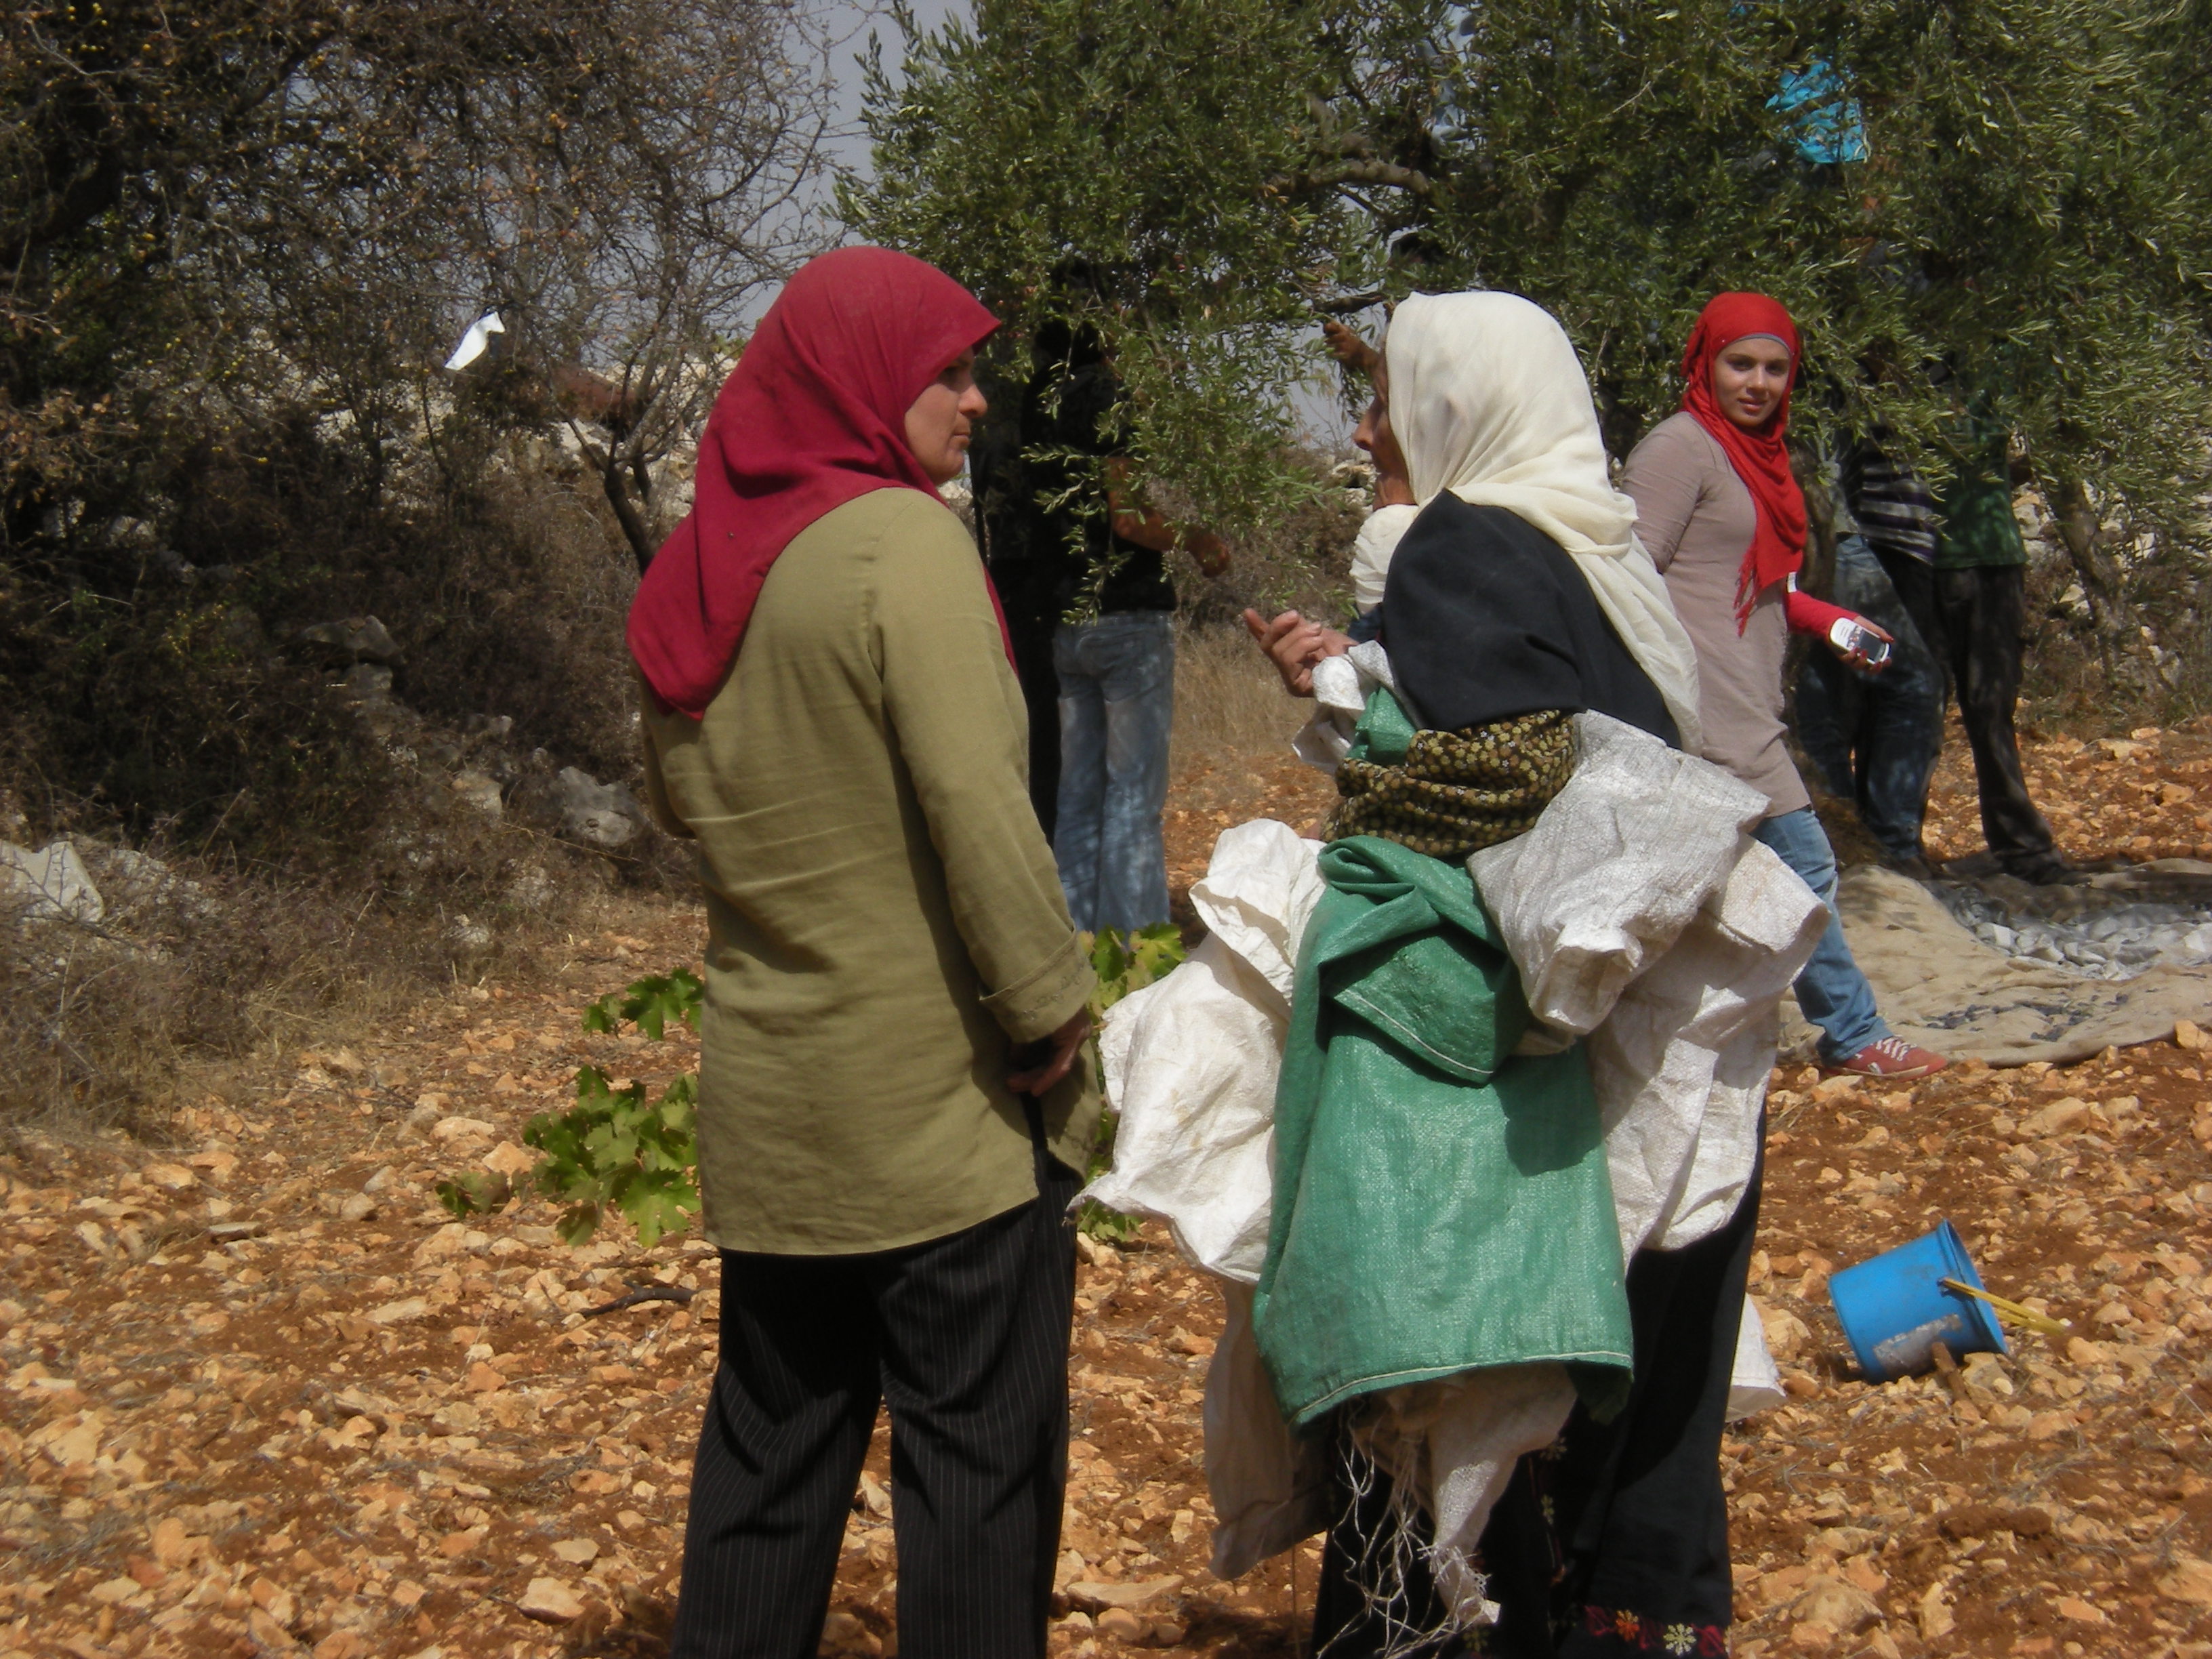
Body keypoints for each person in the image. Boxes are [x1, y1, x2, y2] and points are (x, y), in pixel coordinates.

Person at [1250, 290, 1784, 1659]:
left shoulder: (1462, 543)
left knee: (1456, 1380)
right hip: (1677, 1036)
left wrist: (1365, 779)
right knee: (1626, 1432)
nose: (1372, 424)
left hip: (1563, 1058)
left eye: (1391, 397)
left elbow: (1509, 769)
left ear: (1454, 408)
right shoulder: (1593, 544)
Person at [626, 245, 1099, 1659]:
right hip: (939, 1121)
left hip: (777, 1121)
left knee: (768, 1476)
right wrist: (1050, 1018)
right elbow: (979, 808)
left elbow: (694, 809)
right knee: (973, 1480)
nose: (975, 403)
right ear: (861, 378)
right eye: (946, 372)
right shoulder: (904, 548)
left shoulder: (699, 572)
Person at [1619, 293, 1948, 1080]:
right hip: (1709, 710)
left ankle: (1643, 1033)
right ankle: (1854, 1033)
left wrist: (1823, 619)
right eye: (1740, 364)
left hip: (1747, 696)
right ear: (1705, 364)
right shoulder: (1680, 450)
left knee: (1678, 881)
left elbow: (1747, 580)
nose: (1758, 382)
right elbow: (1626, 577)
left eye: (1775, 367)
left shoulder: (1754, 454)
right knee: (1806, 864)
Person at [978, 321, 1227, 932]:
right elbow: (1128, 517)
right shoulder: (1105, 396)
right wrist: (1197, 540)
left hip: (1065, 621)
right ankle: (1140, 958)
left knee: (1079, 795)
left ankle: (1079, 947)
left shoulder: (1035, 399)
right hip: (1126, 616)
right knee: (1133, 801)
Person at [1793, 436, 1950, 876]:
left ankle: (1844, 846)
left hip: (1828, 532)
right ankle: (1887, 847)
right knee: (1913, 682)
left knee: (1818, 702)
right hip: (1832, 539)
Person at [1929, 412, 2068, 883]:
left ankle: (2024, 848)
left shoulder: (1995, 360)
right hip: (1916, 559)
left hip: (1993, 560)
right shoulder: (1894, 369)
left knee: (1993, 708)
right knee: (1914, 710)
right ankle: (1897, 845)